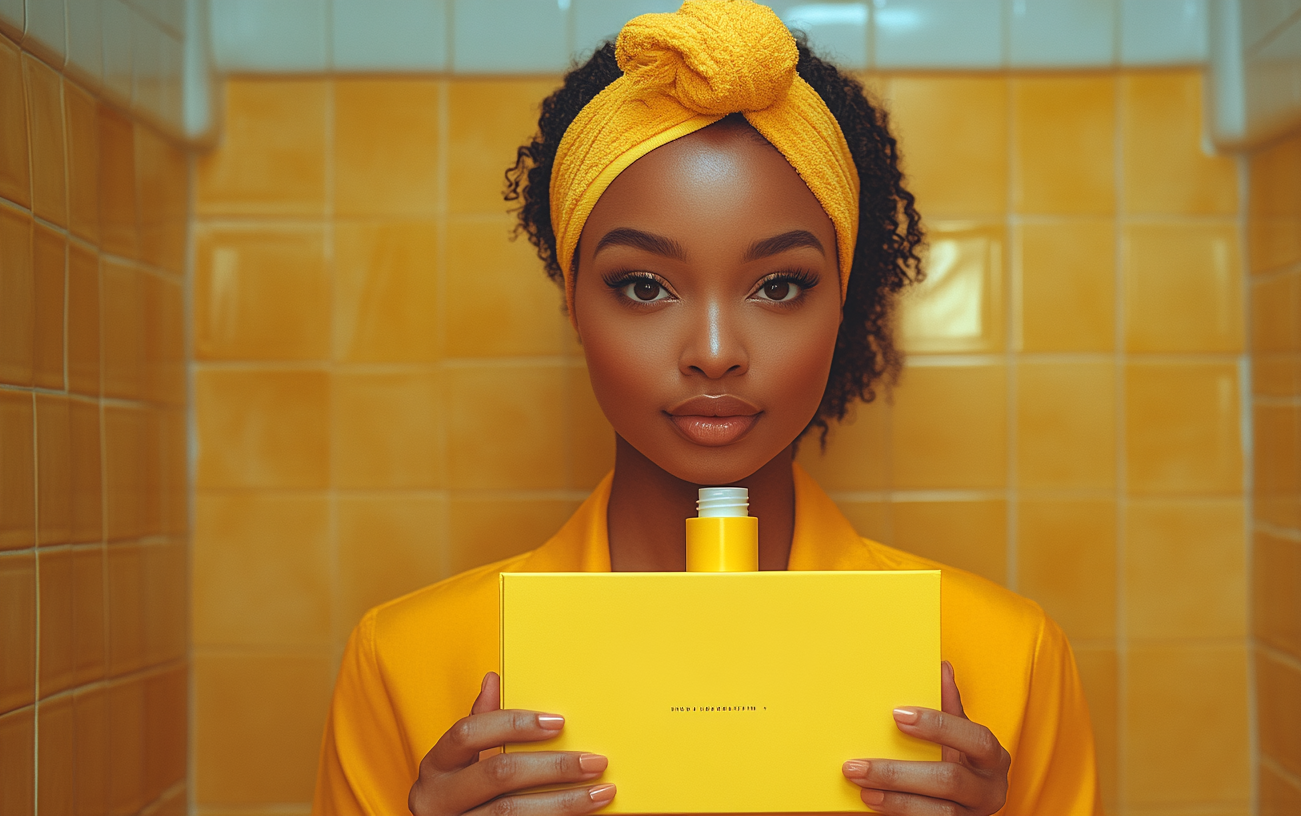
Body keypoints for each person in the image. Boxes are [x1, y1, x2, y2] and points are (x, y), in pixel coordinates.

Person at [312, 2, 1101, 815]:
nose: (716, 349)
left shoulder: (1010, 659)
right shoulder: (403, 663)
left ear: (843, 304)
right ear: (575, 302)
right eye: (644, 286)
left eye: (780, 285)